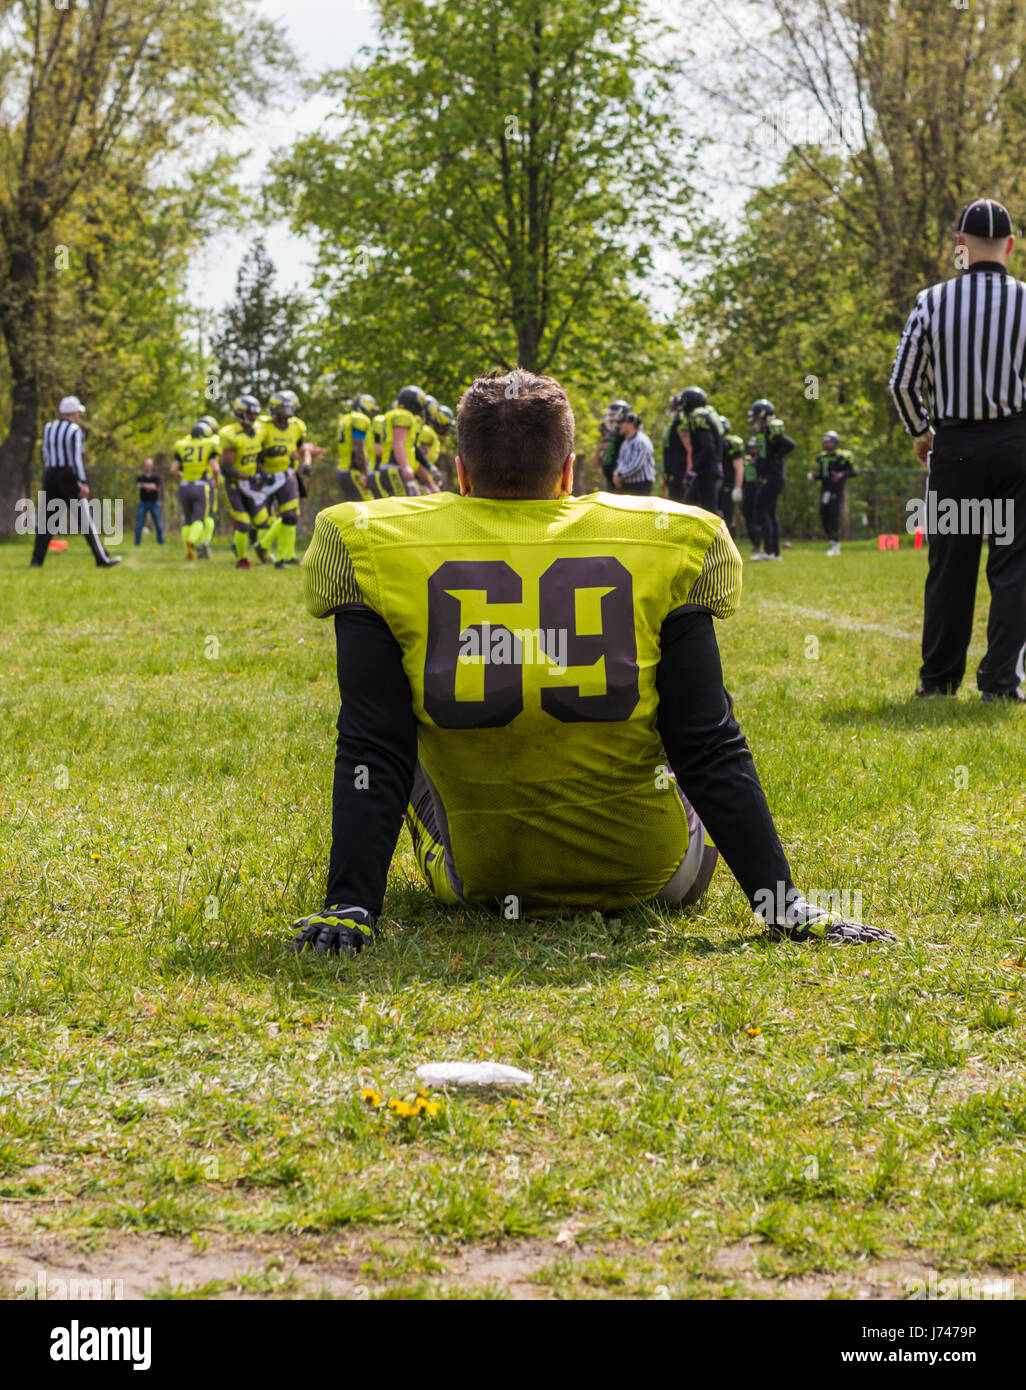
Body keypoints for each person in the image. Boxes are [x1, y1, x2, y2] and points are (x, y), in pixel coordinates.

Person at [293, 368, 893, 954]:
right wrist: (784, 904)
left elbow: (374, 744)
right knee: (671, 738)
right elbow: (706, 742)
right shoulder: (671, 538)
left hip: (483, 879)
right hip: (658, 879)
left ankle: (366, 895)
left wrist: (351, 904)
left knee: (407, 730)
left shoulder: (368, 541)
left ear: (461, 474)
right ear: (568, 471)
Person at [890, 197, 1026, 702]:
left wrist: (921, 433)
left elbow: (902, 382)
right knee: (1015, 566)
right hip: (1015, 446)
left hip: (956, 449)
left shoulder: (932, 301)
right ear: (1010, 246)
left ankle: (938, 682)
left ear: (960, 247)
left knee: (951, 567)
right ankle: (1000, 683)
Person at [30, 396, 121, 568]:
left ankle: (36, 560)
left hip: (50, 475)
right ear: (73, 412)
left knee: (46, 520)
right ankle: (102, 558)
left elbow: (45, 453)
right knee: (85, 518)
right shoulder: (74, 430)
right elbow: (76, 458)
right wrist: (82, 481)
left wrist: (51, 471)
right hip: (67, 476)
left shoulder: (49, 427)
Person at [259, 389, 313, 568]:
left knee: (290, 515)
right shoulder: (263, 426)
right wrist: (265, 455)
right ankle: (264, 545)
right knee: (263, 518)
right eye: (283, 409)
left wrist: (306, 462)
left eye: (289, 408)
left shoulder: (297, 426)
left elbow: (302, 448)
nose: (286, 413)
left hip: (287, 474)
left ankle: (285, 556)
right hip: (266, 476)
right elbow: (253, 451)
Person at [219, 395, 271, 569]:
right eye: (249, 413)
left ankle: (263, 551)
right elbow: (226, 467)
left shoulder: (260, 431)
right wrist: (250, 477)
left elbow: (258, 458)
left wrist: (263, 473)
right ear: (240, 413)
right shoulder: (230, 434)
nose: (253, 416)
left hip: (252, 482)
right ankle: (242, 559)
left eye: (255, 413)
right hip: (234, 484)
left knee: (263, 520)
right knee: (243, 523)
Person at [748, 399, 794, 562]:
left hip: (773, 477)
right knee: (770, 514)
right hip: (771, 477)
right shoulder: (763, 432)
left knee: (762, 511)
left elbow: (790, 445)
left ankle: (769, 550)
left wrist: (774, 458)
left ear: (762, 415)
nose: (753, 419)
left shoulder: (771, 431)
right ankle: (774, 552)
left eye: (755, 416)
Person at [170, 420, 220, 560]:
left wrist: (183, 475)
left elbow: (173, 469)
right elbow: (215, 468)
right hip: (201, 485)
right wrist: (216, 480)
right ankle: (193, 540)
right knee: (201, 518)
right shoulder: (208, 444)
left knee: (187, 520)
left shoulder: (183, 445)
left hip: (184, 486)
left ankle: (188, 548)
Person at [376, 386, 438, 497]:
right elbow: (398, 443)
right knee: (407, 508)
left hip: (388, 466)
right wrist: (405, 467)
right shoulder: (404, 416)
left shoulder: (393, 414)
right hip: (396, 467)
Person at [808, 431, 856, 556]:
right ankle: (832, 542)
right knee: (824, 517)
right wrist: (814, 476)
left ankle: (835, 545)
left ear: (835, 443)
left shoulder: (841, 457)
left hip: (837, 492)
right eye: (826, 442)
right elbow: (823, 475)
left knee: (834, 517)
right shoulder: (822, 458)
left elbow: (853, 472)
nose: (828, 445)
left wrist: (842, 474)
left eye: (830, 442)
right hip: (825, 492)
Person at [678, 387, 724, 513]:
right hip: (706, 468)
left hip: (706, 469)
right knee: (688, 506)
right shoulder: (705, 414)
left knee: (709, 511)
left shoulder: (698, 416)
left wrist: (694, 469)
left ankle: (719, 533)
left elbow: (708, 446)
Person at [337, 393, 378, 502]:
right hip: (354, 470)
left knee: (355, 509)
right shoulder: (359, 419)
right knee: (370, 506)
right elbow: (358, 448)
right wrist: (365, 474)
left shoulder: (345, 419)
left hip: (343, 471)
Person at [612, 411, 656, 495]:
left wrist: (620, 475)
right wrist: (616, 474)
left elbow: (636, 465)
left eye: (621, 422)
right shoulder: (625, 442)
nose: (619, 425)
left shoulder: (641, 440)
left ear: (631, 423)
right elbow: (621, 461)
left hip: (641, 485)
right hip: (627, 484)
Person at [594, 399, 631, 489]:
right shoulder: (608, 433)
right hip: (610, 481)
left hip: (624, 481)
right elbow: (595, 463)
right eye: (610, 415)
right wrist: (600, 448)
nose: (611, 418)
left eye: (613, 415)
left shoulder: (627, 435)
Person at [661, 393, 689, 503]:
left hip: (680, 474)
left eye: (673, 406)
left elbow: (689, 449)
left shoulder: (681, 424)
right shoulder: (673, 424)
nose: (670, 408)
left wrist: (687, 474)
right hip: (672, 474)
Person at [719, 419, 745, 532]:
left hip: (728, 484)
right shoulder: (717, 443)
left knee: (728, 516)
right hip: (719, 483)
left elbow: (739, 467)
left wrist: (737, 487)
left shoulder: (730, 444)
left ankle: (730, 545)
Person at [134, 457, 165, 546]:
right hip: (143, 503)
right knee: (139, 524)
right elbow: (139, 486)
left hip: (154, 503)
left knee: (158, 524)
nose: (148, 467)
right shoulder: (140, 477)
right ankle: (137, 543)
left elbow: (157, 487)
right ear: (143, 466)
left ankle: (161, 542)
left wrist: (144, 485)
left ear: (152, 466)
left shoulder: (156, 477)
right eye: (146, 465)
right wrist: (151, 486)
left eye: (149, 465)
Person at [741, 436, 761, 554]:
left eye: (755, 447)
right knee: (747, 518)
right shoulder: (745, 460)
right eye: (751, 447)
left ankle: (758, 545)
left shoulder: (762, 460)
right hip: (747, 489)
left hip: (758, 489)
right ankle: (754, 544)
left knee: (756, 520)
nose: (753, 450)